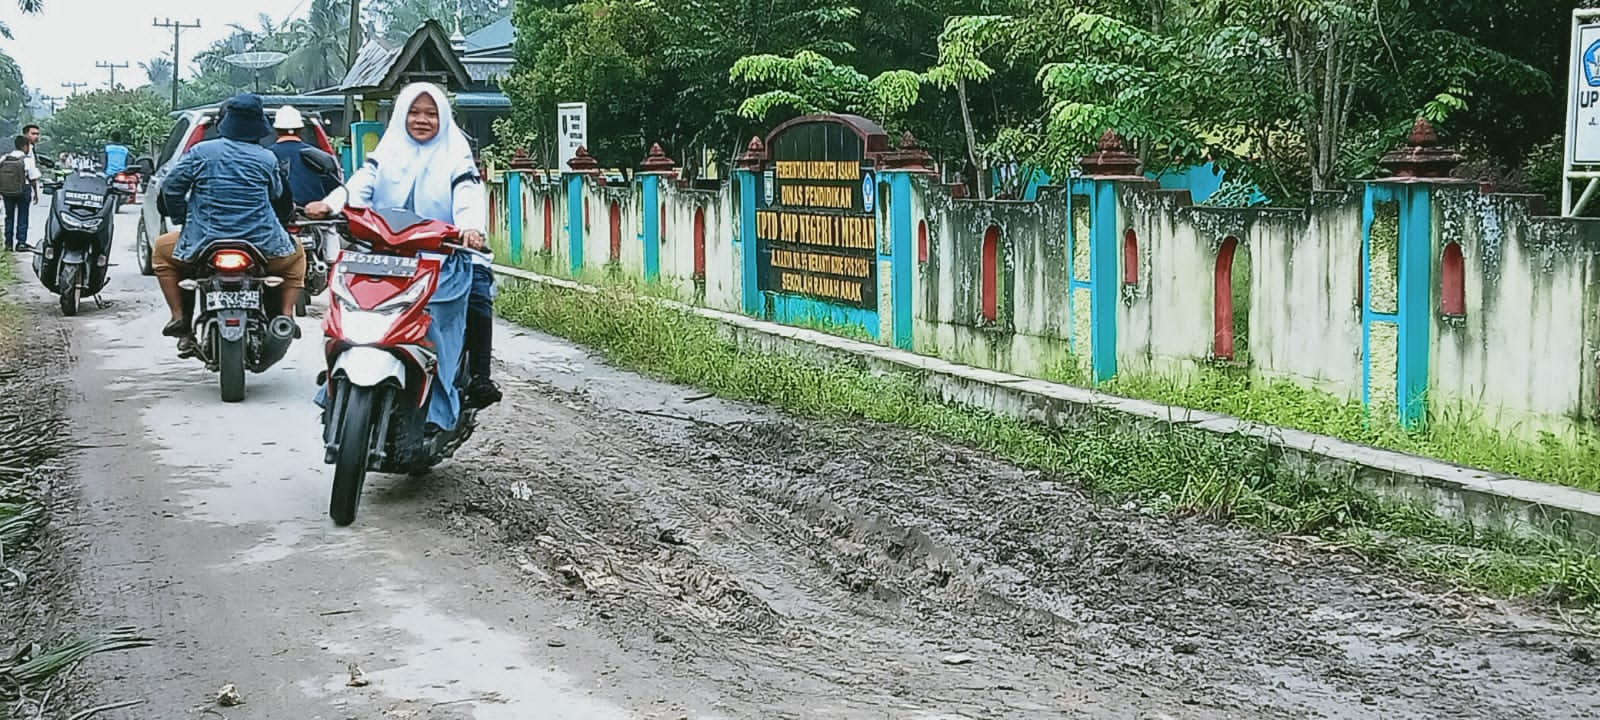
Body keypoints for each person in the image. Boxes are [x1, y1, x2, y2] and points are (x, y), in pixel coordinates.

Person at [305, 81, 500, 429]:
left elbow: (467, 195)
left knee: (458, 310)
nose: (421, 120)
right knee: (350, 307)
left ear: (443, 118)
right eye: (413, 112)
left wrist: (471, 229)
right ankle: (338, 374)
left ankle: (454, 394)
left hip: (444, 258)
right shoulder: (386, 154)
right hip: (384, 256)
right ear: (400, 115)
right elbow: (359, 185)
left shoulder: (457, 159)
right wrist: (330, 204)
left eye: (430, 113)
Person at [152, 94, 305, 340]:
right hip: (262, 244)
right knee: (297, 256)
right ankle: (286, 316)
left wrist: (182, 217)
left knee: (161, 252)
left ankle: (179, 317)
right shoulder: (267, 158)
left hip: (203, 243)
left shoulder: (200, 152)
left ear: (225, 124)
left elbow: (171, 188)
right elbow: (278, 195)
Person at [269, 106, 342, 207]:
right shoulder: (322, 157)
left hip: (276, 216)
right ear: (300, 129)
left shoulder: (266, 157)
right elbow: (335, 191)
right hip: (315, 216)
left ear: (276, 129)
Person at [0, 136, 38, 252]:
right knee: (23, 216)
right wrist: (36, 193)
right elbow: (33, 178)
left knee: (9, 217)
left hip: (7, 191)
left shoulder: (4, 158)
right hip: (23, 190)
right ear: (24, 146)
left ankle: (8, 244)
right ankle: (21, 243)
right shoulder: (27, 160)